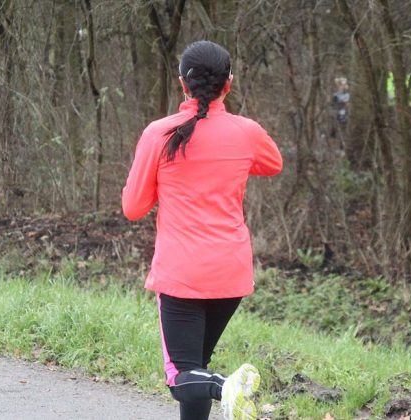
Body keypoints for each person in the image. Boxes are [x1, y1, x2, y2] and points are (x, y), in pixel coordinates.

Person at [122, 40, 283, 420]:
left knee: (182, 377)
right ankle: (218, 385)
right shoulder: (247, 132)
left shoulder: (160, 134)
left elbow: (133, 208)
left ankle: (223, 386)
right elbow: (273, 163)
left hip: (182, 275)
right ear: (229, 83)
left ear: (182, 83)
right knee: (193, 367)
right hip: (231, 273)